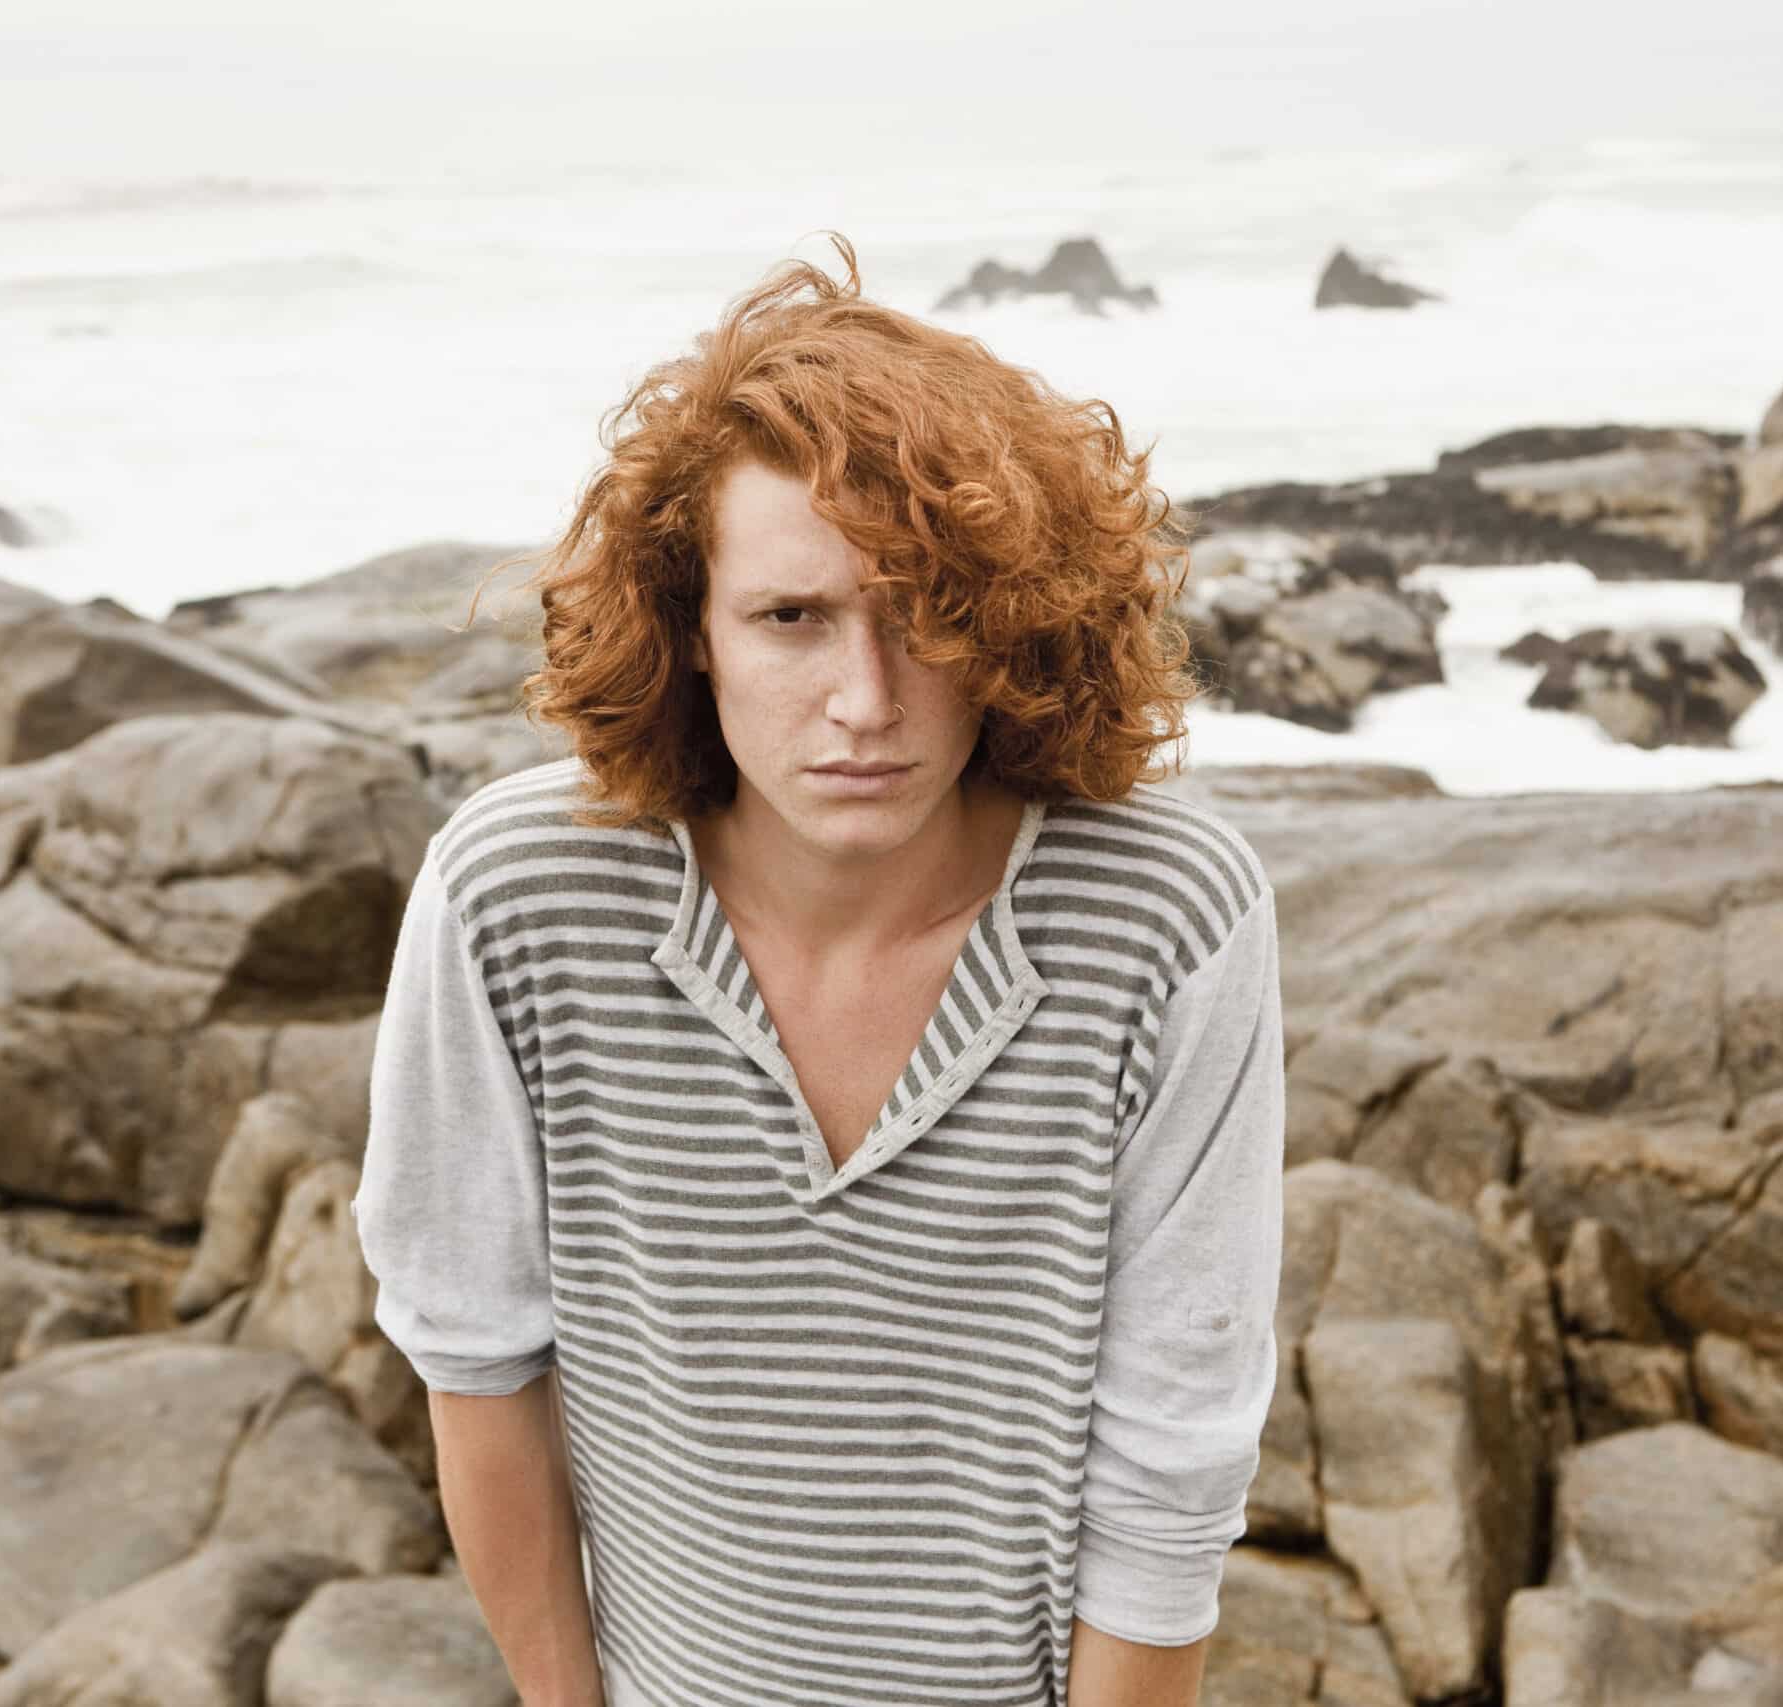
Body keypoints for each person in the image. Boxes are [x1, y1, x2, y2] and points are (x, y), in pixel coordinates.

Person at [352, 233, 1285, 1707]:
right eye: (793, 618)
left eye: (929, 620)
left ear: (1016, 624)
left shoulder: (1165, 914)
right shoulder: (516, 897)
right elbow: (478, 1363)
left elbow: (1173, 1458)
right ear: (694, 632)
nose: (867, 701)